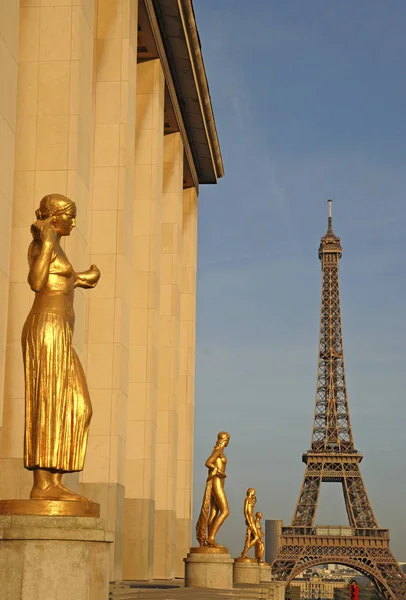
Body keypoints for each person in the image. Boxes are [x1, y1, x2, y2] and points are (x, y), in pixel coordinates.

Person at [23, 194, 100, 501]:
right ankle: (42, 483)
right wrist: (49, 240)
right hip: (46, 326)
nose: (73, 222)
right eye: (70, 216)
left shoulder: (55, 247)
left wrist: (81, 278)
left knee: (79, 407)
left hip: (60, 330)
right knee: (48, 399)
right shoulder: (44, 244)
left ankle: (55, 480)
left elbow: (60, 280)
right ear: (55, 217)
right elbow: (36, 280)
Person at [196, 431, 230, 548]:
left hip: (219, 482)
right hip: (217, 482)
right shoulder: (218, 451)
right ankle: (211, 538)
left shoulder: (219, 451)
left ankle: (210, 539)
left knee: (214, 512)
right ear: (225, 440)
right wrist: (219, 471)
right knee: (225, 511)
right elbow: (208, 462)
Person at [240, 488, 260, 559]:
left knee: (251, 537)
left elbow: (253, 504)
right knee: (256, 537)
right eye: (254, 491)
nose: (254, 493)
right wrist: (248, 520)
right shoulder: (247, 499)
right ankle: (245, 551)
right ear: (251, 492)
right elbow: (245, 511)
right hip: (250, 520)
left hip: (251, 520)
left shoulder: (251, 500)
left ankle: (245, 552)